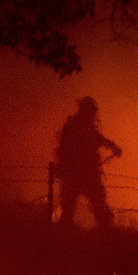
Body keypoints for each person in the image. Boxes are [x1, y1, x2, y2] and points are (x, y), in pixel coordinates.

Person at [54, 97, 121, 228]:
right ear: (88, 111)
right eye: (91, 111)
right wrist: (113, 147)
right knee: (97, 210)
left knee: (73, 211)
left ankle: (65, 237)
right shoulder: (78, 127)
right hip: (84, 174)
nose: (93, 114)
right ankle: (107, 238)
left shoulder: (75, 126)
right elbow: (66, 149)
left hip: (76, 175)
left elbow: (98, 139)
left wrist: (113, 147)